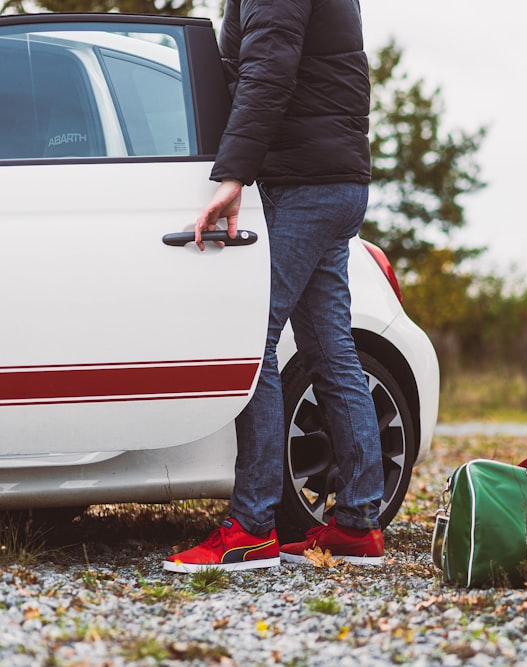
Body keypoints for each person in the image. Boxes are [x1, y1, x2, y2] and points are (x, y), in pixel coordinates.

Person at [163, 0, 384, 573]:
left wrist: (232, 174)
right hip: (333, 180)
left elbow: (266, 71)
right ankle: (359, 523)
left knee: (251, 338)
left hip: (304, 185)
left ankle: (252, 527)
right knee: (329, 350)